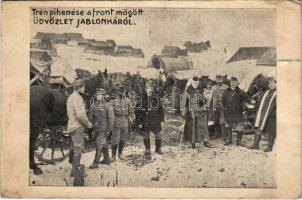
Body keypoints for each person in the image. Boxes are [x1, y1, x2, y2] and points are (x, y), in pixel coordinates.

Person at [67, 79, 93, 176]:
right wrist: (88, 124)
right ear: (79, 87)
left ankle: (74, 167)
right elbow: (80, 115)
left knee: (73, 147)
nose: (84, 89)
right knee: (78, 148)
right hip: (78, 126)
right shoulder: (77, 98)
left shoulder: (70, 97)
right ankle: (75, 170)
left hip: (71, 125)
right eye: (83, 87)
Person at [221, 77, 256, 146]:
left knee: (240, 126)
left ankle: (238, 141)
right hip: (229, 112)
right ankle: (229, 140)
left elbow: (247, 97)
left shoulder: (240, 91)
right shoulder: (226, 92)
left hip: (238, 112)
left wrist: (251, 100)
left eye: (235, 82)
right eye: (232, 82)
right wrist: (225, 109)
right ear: (230, 83)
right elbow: (223, 101)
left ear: (237, 83)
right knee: (228, 126)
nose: (233, 84)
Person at [181, 76, 211, 148]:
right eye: (194, 83)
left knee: (203, 126)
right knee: (192, 127)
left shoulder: (201, 90)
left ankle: (206, 141)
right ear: (191, 83)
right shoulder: (187, 91)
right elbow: (183, 103)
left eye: (197, 83)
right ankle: (193, 143)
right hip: (191, 111)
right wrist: (184, 112)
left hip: (201, 111)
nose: (196, 84)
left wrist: (205, 106)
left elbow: (206, 100)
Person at [88, 88, 115, 169]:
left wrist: (108, 130)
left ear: (104, 96)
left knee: (98, 144)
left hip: (103, 129)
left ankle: (95, 163)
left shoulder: (107, 105)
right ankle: (107, 159)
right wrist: (90, 126)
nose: (98, 96)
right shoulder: (93, 105)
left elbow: (111, 119)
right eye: (97, 94)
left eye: (100, 94)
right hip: (96, 128)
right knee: (103, 143)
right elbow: (90, 117)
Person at [249, 77, 276, 152]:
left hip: (271, 115)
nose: (270, 85)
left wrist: (273, 114)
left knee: (271, 130)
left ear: (275, 83)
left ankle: (269, 147)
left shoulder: (277, 93)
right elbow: (260, 102)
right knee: (259, 127)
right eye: (269, 84)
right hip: (262, 113)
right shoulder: (266, 92)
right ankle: (255, 144)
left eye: (272, 83)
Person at [141, 82, 165, 160]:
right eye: (148, 89)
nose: (150, 90)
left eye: (151, 89)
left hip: (155, 120)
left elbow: (161, 110)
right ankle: (147, 149)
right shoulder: (142, 98)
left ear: (153, 89)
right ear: (145, 89)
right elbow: (138, 112)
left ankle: (158, 148)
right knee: (146, 135)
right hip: (145, 121)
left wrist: (162, 120)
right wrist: (139, 122)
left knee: (158, 135)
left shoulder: (156, 98)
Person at [111, 86, 134, 162]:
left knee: (123, 139)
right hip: (116, 121)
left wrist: (131, 117)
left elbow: (131, 111)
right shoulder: (114, 101)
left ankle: (120, 153)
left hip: (125, 121)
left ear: (125, 92)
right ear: (118, 92)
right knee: (115, 139)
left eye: (123, 92)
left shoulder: (128, 101)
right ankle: (113, 156)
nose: (122, 93)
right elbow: (111, 112)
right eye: (120, 92)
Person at [209, 75, 229, 139]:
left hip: (223, 106)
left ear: (222, 80)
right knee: (216, 120)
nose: (219, 82)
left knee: (223, 121)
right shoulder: (213, 88)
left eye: (220, 80)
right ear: (216, 81)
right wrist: (209, 105)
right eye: (218, 81)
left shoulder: (226, 87)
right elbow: (211, 97)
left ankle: (224, 136)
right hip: (215, 106)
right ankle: (217, 134)